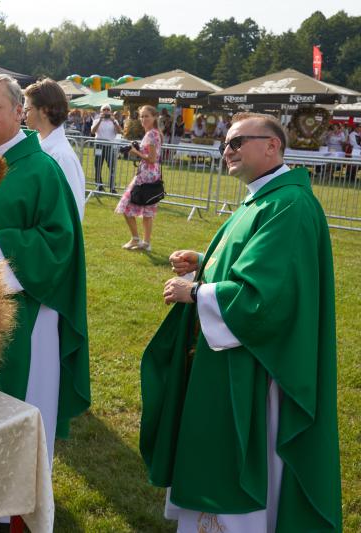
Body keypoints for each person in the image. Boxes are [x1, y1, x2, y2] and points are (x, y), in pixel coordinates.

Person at [141, 112, 341, 533]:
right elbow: (253, 264)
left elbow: (267, 297)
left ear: (272, 146)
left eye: (237, 143)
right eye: (224, 144)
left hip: (255, 364)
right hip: (233, 354)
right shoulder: (264, 198)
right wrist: (204, 262)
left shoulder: (287, 204)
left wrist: (196, 292)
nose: (227, 151)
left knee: (241, 456)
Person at [0, 70, 90, 486]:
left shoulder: (43, 169)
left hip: (25, 309)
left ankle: (16, 496)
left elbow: (60, 244)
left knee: (17, 401)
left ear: (18, 112)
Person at [24, 78, 86, 219]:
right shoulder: (39, 146)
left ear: (44, 111)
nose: (24, 114)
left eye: (27, 109)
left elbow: (72, 212)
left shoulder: (61, 156)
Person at [115, 105, 162, 251]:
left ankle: (136, 239)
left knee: (125, 205)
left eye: (147, 116)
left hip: (146, 176)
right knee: (148, 210)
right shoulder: (154, 133)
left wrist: (135, 152)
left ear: (154, 117)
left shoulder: (151, 134)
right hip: (152, 174)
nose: (143, 119)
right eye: (141, 116)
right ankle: (145, 243)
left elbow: (152, 159)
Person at [90, 104, 122, 193]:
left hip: (110, 146)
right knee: (98, 166)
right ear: (101, 111)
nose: (106, 111)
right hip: (99, 146)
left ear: (110, 111)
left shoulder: (114, 121)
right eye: (104, 109)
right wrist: (100, 120)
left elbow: (120, 132)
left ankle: (112, 187)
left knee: (112, 166)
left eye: (108, 110)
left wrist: (114, 121)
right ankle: (99, 186)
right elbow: (92, 131)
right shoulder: (97, 120)